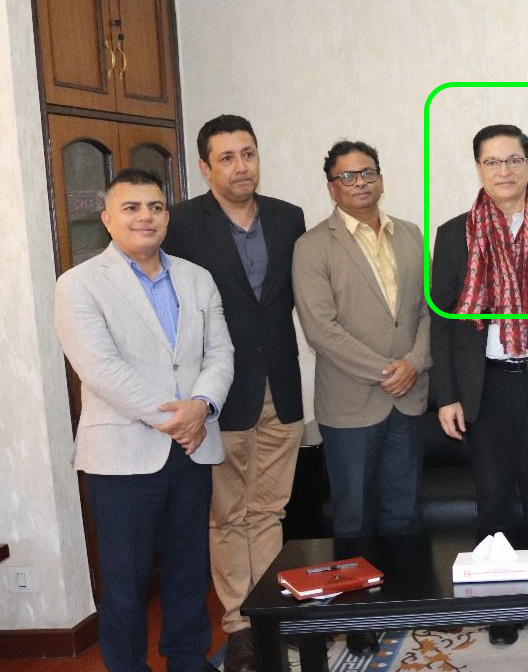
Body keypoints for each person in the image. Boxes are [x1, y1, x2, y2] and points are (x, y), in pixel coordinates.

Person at [54, 169, 234, 672]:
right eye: (131, 208)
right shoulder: (79, 285)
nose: (145, 217)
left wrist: (202, 405)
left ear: (166, 217)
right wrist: (178, 418)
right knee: (126, 580)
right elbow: (101, 369)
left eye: (155, 207)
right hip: (123, 457)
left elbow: (220, 352)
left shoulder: (197, 278)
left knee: (188, 569)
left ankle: (188, 660)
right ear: (107, 219)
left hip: (193, 448)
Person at [430, 124, 528, 645]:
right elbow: (442, 322)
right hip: (486, 386)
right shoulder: (454, 233)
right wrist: (447, 395)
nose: (504, 170)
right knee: (493, 501)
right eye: (492, 161)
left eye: (514, 159)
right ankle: (500, 608)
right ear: (479, 168)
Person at [163, 114, 305, 672]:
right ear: (205, 167)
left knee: (269, 510)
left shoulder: (288, 217)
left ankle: (272, 619)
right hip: (220, 390)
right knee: (227, 516)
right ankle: (241, 628)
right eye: (226, 157)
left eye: (248, 153)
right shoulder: (181, 225)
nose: (241, 166)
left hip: (282, 386)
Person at [293, 140, 431, 652]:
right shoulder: (313, 246)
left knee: (403, 512)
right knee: (353, 516)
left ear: (381, 178)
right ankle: (359, 616)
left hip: (408, 397)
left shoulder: (411, 235)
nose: (359, 183)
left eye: (367, 172)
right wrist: (384, 370)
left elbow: (429, 311)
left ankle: (400, 602)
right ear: (332, 188)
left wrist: (414, 362)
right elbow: (320, 329)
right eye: (347, 176)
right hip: (351, 404)